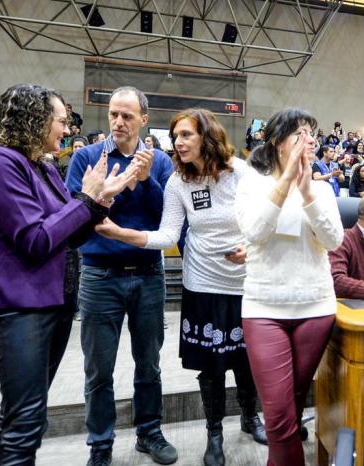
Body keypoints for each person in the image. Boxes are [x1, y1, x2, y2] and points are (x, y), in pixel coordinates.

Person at [0, 83, 136, 466]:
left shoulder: (41, 165)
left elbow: (68, 232)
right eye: (62, 121)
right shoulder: (0, 163)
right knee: (26, 422)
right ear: (35, 119)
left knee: (18, 414)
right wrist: (86, 200)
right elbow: (35, 239)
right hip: (17, 306)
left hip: (51, 303)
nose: (67, 130)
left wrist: (99, 201)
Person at [94, 108, 266, 466]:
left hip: (246, 284)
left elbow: (264, 221)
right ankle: (214, 434)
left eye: (185, 135)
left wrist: (251, 247)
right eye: (175, 137)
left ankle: (251, 418)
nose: (178, 143)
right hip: (202, 283)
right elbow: (170, 234)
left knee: (247, 359)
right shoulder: (178, 181)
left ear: (207, 136)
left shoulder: (240, 172)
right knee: (213, 364)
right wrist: (120, 233)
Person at [65, 86, 176, 466]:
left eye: (127, 115)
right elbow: (74, 218)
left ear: (144, 119)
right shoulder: (85, 158)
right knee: (99, 368)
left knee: (149, 363)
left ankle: (149, 432)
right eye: (114, 113)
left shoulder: (160, 161)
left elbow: (167, 219)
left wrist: (145, 181)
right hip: (99, 275)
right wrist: (104, 193)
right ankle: (100, 443)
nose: (118, 121)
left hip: (148, 273)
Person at [236, 107, 343, 466]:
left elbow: (332, 240)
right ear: (278, 143)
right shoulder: (252, 182)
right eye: (300, 133)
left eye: (313, 134)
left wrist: (308, 191)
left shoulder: (322, 189)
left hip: (315, 306)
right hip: (264, 307)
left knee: (293, 407)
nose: (310, 140)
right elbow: (254, 232)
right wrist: (285, 185)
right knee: (279, 417)